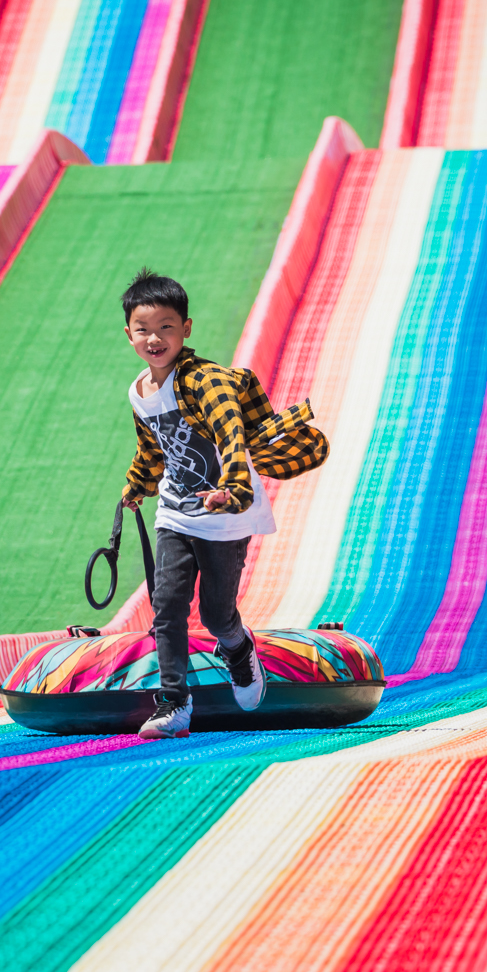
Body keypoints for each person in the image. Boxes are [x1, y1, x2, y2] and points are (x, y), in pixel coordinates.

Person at [118, 269, 330, 740]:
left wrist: (232, 491)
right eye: (144, 329)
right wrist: (137, 485)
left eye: (166, 327)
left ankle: (236, 648)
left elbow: (232, 435)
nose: (155, 338)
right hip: (175, 513)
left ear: (186, 329)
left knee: (215, 614)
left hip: (226, 517)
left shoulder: (206, 382)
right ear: (129, 334)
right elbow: (153, 447)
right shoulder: (139, 392)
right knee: (167, 605)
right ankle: (174, 704)